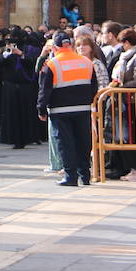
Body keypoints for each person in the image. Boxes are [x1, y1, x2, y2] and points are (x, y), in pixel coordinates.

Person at [37, 32, 95, 187]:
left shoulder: (51, 64)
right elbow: (93, 86)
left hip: (60, 110)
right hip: (83, 109)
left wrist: (41, 110)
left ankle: (70, 176)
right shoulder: (86, 62)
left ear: (55, 47)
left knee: (66, 143)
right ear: (70, 45)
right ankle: (85, 175)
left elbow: (44, 90)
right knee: (83, 141)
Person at [107, 28, 136, 180]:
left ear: (127, 43)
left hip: (134, 100)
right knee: (125, 135)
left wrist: (121, 86)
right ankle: (130, 168)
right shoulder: (127, 56)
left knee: (131, 135)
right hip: (125, 99)